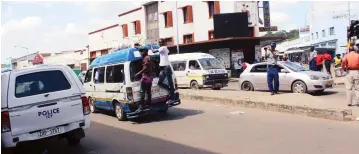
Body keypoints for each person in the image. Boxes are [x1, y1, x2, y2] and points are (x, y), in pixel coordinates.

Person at [151, 39, 176, 104]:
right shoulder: (165, 48)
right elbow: (167, 52)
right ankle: (171, 90)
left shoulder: (163, 48)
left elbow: (153, 51)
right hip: (163, 68)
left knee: (170, 83)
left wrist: (151, 46)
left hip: (166, 68)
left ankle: (172, 98)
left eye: (160, 42)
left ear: (163, 43)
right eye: (159, 42)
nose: (160, 43)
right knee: (160, 82)